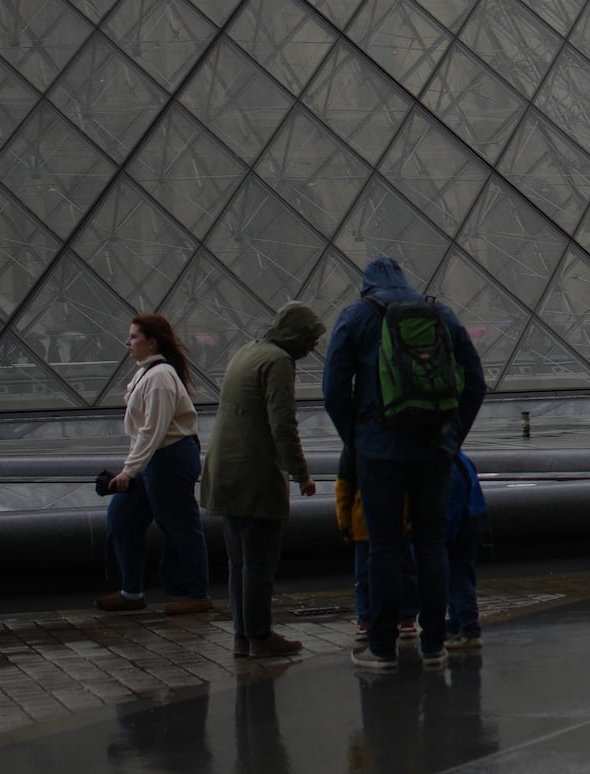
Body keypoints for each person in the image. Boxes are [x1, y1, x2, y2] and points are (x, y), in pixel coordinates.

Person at [322, 258, 486, 668]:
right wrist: (452, 438)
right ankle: (434, 645)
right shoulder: (441, 314)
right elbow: (475, 382)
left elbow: (333, 390)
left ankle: (381, 648)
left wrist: (356, 440)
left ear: (367, 286)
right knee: (431, 544)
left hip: (379, 450)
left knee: (383, 546)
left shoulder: (355, 317)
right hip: (434, 450)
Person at [203, 302, 324, 658]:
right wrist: (300, 474)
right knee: (259, 562)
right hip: (253, 472)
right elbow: (282, 424)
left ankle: (243, 634)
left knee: (238, 560)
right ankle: (260, 635)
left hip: (224, 469)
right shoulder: (278, 362)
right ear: (297, 334)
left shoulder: (247, 351)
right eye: (311, 338)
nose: (313, 347)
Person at [101, 312, 214, 616]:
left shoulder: (160, 377)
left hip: (170, 458)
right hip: (154, 458)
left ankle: (196, 593)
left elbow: (153, 429)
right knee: (121, 517)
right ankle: (131, 590)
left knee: (179, 525)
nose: (128, 342)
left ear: (152, 343)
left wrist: (129, 470)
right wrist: (132, 466)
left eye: (134, 336)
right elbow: (144, 432)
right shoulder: (146, 372)